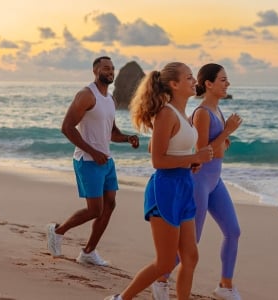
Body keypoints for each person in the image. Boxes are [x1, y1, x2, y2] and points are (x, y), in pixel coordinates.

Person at [105, 62, 213, 300]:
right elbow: (157, 160)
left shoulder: (182, 115)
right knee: (164, 263)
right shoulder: (166, 114)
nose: (194, 81)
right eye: (189, 78)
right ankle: (121, 299)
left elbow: (157, 148)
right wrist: (194, 156)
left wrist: (189, 162)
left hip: (184, 186)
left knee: (190, 257)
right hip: (165, 188)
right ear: (174, 84)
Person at [150, 63, 243, 300]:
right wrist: (226, 133)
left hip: (215, 181)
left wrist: (223, 139)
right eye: (223, 79)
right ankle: (161, 279)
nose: (227, 84)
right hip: (200, 181)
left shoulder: (218, 111)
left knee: (233, 231)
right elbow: (202, 152)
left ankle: (225, 285)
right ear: (209, 84)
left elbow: (215, 149)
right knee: (191, 243)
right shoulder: (202, 113)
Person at [46, 56, 139, 266]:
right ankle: (58, 231)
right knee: (95, 209)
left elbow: (112, 132)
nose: (110, 71)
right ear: (95, 70)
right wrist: (93, 151)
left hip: (106, 160)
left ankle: (88, 251)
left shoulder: (110, 99)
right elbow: (67, 127)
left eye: (113, 68)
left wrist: (127, 138)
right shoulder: (86, 95)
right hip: (87, 160)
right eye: (106, 68)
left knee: (110, 205)